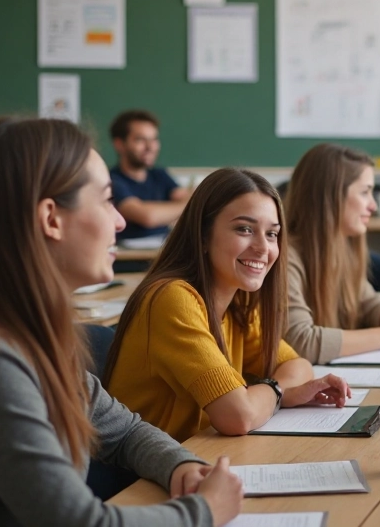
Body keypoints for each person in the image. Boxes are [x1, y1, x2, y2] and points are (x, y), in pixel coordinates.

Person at [0, 118, 244, 527]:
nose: (119, 222)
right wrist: (205, 511)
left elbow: (124, 433)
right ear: (51, 218)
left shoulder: (32, 334)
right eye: (107, 200)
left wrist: (181, 465)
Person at [103, 168, 349, 442]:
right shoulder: (172, 299)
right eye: (244, 229)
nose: (263, 248)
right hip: (150, 467)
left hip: (199, 455)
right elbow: (238, 416)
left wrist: (270, 394)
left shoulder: (238, 303)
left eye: (272, 233)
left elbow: (298, 367)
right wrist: (279, 392)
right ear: (203, 236)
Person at [283, 144, 380, 365]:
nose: (373, 206)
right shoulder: (284, 258)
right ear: (331, 197)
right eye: (365, 192)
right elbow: (301, 342)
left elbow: (366, 302)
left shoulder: (343, 248)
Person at [109, 109, 190, 242]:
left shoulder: (159, 174)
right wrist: (188, 206)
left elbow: (187, 196)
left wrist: (185, 203)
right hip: (128, 253)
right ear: (119, 144)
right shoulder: (112, 180)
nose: (150, 147)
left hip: (162, 249)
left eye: (154, 139)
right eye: (140, 140)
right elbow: (147, 217)